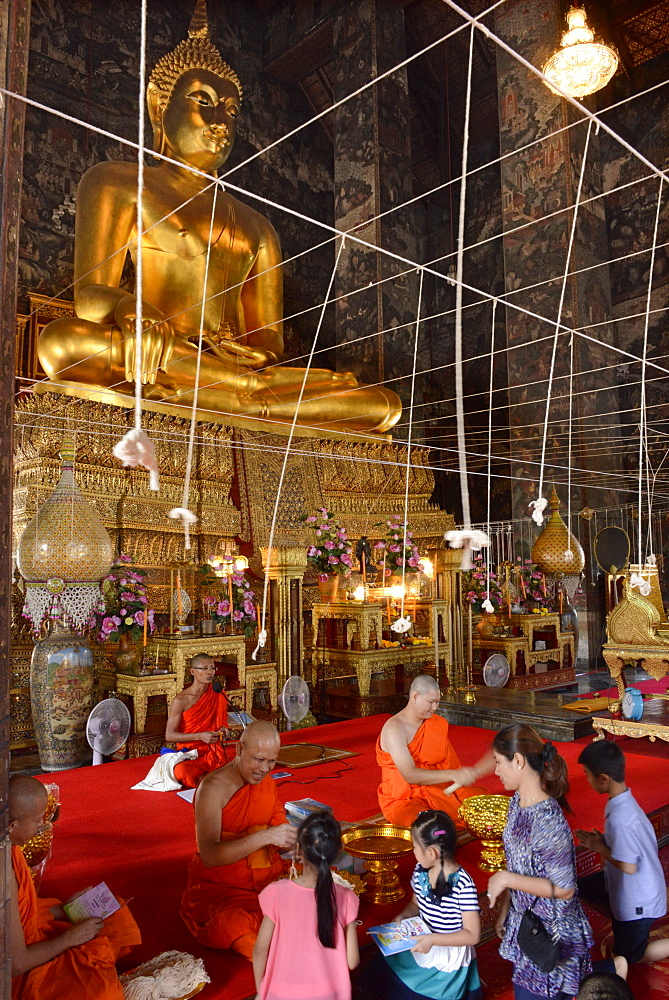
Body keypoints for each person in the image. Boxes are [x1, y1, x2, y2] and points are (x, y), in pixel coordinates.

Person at [36, 5, 400, 435]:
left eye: (229, 110)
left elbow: (268, 341)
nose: (219, 123)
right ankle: (243, 399)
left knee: (385, 406)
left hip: (214, 367)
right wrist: (128, 307)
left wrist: (253, 359)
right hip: (155, 349)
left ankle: (228, 393)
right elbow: (90, 296)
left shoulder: (258, 226)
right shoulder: (118, 183)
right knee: (62, 345)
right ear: (159, 103)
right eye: (202, 101)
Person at [9, 774, 141, 1000]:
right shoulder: (3, 875)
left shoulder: (8, 845)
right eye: (37, 819)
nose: (42, 825)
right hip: (16, 971)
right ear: (13, 825)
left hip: (27, 933)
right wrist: (71, 938)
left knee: (113, 911)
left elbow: (22, 914)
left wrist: (63, 910)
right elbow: (15, 964)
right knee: (101, 993)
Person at [486, 724, 593, 1000]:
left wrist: (507, 880)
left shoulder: (547, 820)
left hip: (551, 931)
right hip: (527, 922)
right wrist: (508, 908)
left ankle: (609, 972)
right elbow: (517, 865)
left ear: (518, 761)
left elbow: (565, 888)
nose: (496, 771)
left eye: (499, 762)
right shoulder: (517, 802)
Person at [181, 720, 297, 958]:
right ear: (240, 749)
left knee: (329, 886)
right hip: (225, 888)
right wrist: (265, 837)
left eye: (271, 761)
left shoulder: (266, 783)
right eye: (258, 759)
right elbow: (210, 856)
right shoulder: (212, 788)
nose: (264, 769)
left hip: (269, 876)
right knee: (238, 929)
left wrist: (296, 842)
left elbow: (279, 826)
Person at [362, 809, 482, 1000]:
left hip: (446, 949)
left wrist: (433, 940)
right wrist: (403, 916)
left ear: (432, 852)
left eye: (415, 847)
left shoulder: (462, 884)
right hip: (422, 939)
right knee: (383, 971)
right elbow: (414, 902)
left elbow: (472, 935)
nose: (414, 852)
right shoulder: (422, 871)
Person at [576, 740, 669, 965]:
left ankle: (630, 930)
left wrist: (600, 848)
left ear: (603, 779)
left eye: (588, 774)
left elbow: (629, 866)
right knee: (579, 887)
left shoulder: (621, 818)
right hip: (636, 886)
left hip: (639, 899)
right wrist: (604, 843)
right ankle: (622, 921)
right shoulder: (622, 800)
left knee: (628, 960)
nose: (587, 780)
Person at [252, 811, 360, 1000]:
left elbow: (260, 949)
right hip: (328, 993)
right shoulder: (347, 897)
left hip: (282, 993)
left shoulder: (276, 892)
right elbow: (352, 961)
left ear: (298, 850)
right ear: (339, 850)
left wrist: (262, 992)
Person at [376, 674, 490, 828]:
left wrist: (457, 776)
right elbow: (410, 775)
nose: (435, 708)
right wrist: (454, 774)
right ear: (415, 696)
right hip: (404, 798)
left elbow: (447, 763)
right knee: (429, 826)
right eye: (431, 702)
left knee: (486, 806)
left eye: (437, 702)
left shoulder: (434, 724)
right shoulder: (394, 729)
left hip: (439, 788)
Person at [166, 652, 230, 788]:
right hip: (191, 753)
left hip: (214, 750)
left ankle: (208, 779)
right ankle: (210, 780)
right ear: (193, 671)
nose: (210, 673)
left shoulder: (218, 693)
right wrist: (200, 736)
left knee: (244, 758)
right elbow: (169, 735)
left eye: (212, 668)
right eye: (205, 668)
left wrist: (224, 730)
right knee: (181, 771)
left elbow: (222, 721)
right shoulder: (181, 700)